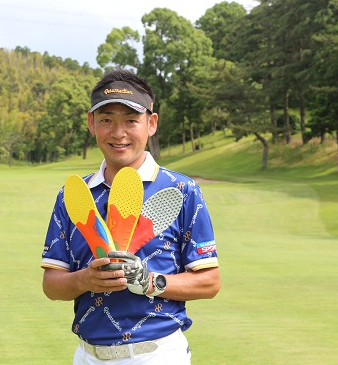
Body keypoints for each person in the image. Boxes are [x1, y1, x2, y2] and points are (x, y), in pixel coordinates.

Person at [41, 69, 221, 364]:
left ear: (151, 124)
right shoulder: (73, 195)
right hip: (88, 356)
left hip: (156, 355)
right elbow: (52, 284)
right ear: (91, 123)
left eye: (130, 120)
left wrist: (151, 282)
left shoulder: (182, 190)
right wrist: (86, 279)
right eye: (107, 119)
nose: (118, 132)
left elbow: (210, 281)